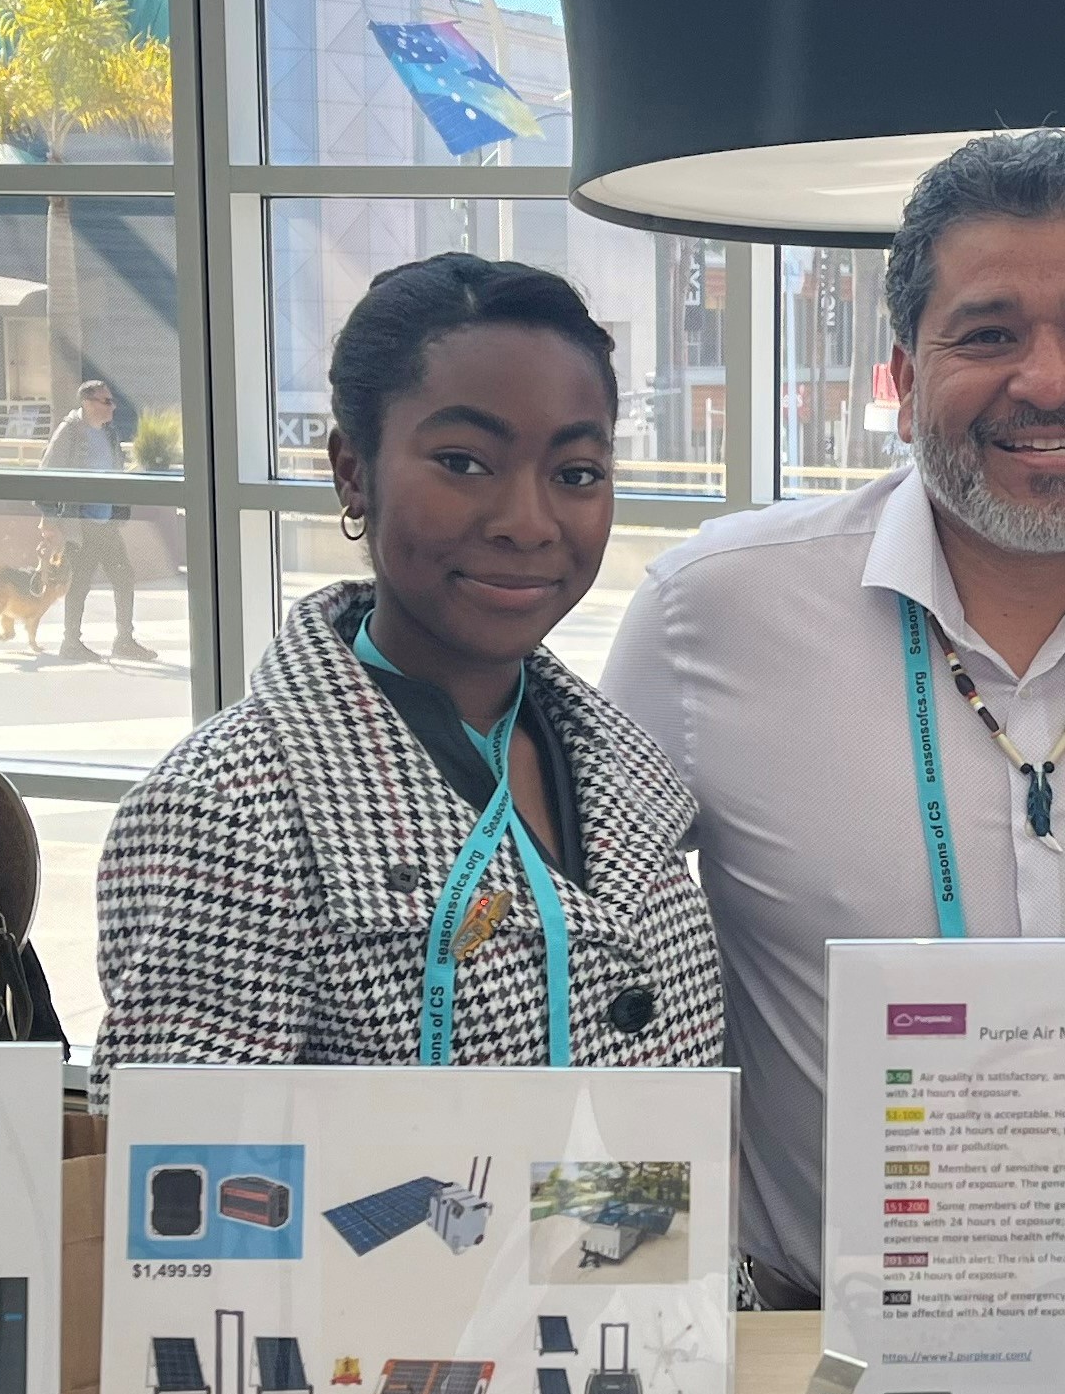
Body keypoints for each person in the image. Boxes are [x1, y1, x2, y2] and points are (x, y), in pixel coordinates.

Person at [606, 130, 1065, 1303]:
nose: (1048, 381)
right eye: (987, 333)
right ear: (900, 373)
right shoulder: (710, 614)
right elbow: (592, 989)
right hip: (816, 1335)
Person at [95, 256, 723, 1071]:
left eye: (576, 474)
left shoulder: (625, 773)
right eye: (463, 461)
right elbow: (194, 1183)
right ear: (353, 471)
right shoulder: (225, 814)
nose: (528, 522)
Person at [39, 378, 154, 664]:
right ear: (88, 403)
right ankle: (71, 643)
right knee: (79, 583)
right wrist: (49, 519)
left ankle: (124, 640)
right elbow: (46, 474)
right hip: (81, 524)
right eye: (107, 401)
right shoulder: (70, 432)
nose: (113, 407)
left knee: (124, 578)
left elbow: (114, 470)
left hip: (106, 522)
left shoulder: (109, 432)